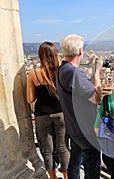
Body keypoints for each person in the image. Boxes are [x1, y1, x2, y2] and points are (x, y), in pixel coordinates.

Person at [57, 34, 102, 179]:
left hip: (73, 127)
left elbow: (81, 89)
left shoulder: (62, 69)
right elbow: (96, 98)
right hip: (85, 129)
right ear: (80, 51)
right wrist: (97, 73)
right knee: (92, 165)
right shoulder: (74, 72)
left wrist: (92, 67)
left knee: (75, 161)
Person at [26, 42, 70, 179]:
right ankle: (67, 176)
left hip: (42, 114)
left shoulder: (34, 74)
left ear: (39, 56)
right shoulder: (61, 72)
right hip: (61, 113)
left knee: (47, 149)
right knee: (63, 147)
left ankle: (53, 177)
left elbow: (30, 99)